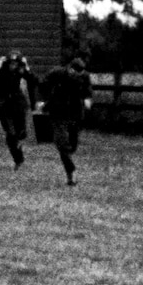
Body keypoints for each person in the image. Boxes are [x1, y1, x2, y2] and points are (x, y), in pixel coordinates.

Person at [0, 48, 40, 169]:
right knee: (11, 133)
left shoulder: (21, 68)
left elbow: (34, 80)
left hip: (16, 101)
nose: (13, 66)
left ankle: (18, 143)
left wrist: (27, 68)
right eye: (11, 63)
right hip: (2, 102)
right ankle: (18, 159)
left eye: (15, 64)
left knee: (21, 133)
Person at [41, 54, 92, 186]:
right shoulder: (57, 73)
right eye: (75, 73)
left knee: (72, 146)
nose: (77, 76)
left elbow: (87, 90)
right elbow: (43, 84)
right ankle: (71, 173)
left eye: (80, 74)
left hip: (74, 112)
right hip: (57, 111)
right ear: (70, 68)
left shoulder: (84, 76)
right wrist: (43, 101)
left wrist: (87, 99)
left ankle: (68, 157)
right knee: (62, 143)